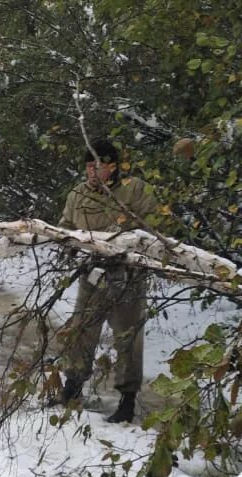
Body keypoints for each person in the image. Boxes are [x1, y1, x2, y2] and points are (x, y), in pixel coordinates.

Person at [55, 139, 157, 423]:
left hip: (128, 279)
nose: (92, 171)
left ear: (113, 167)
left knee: (128, 339)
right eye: (88, 166)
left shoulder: (134, 189)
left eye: (98, 166)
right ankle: (72, 388)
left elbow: (154, 226)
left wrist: (125, 240)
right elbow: (64, 227)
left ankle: (127, 400)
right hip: (92, 276)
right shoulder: (77, 194)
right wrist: (70, 245)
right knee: (81, 332)